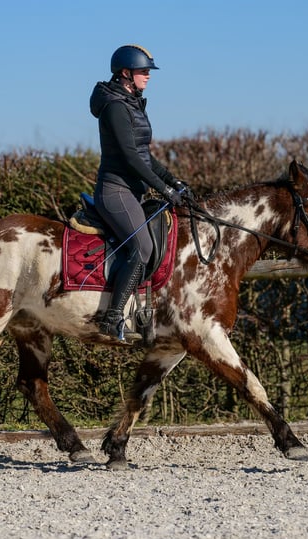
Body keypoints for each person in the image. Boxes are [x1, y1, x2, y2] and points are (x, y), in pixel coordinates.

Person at [89, 44, 188, 342]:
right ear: (125, 73)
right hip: (115, 191)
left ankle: (142, 310)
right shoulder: (116, 107)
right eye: (143, 71)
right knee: (142, 249)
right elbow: (130, 158)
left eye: (148, 71)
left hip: (132, 192)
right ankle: (112, 317)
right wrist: (164, 190)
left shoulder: (131, 103)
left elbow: (145, 156)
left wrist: (174, 181)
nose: (148, 76)